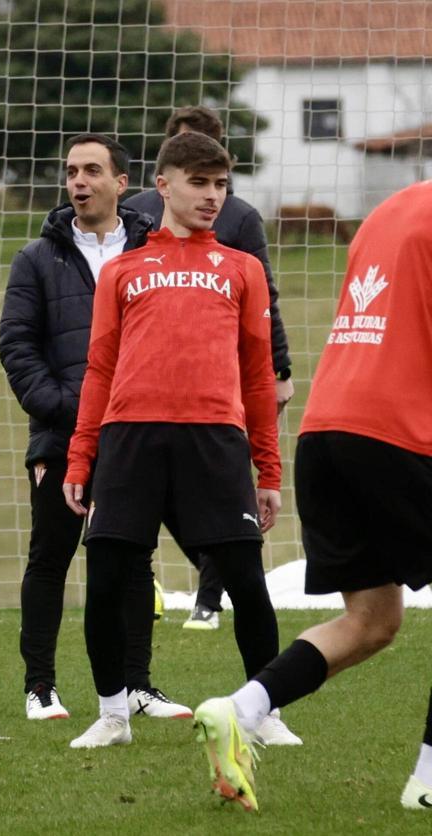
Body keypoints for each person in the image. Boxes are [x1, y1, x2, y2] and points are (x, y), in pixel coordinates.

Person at [193, 179, 432, 813]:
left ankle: (239, 711)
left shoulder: (389, 209)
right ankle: (430, 781)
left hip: (328, 432)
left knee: (373, 621)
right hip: (399, 433)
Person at [62, 131, 298, 749]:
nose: (212, 196)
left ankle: (262, 711)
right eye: (199, 182)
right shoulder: (122, 270)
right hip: (130, 439)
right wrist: (81, 453)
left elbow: (257, 375)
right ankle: (113, 714)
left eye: (221, 184)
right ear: (163, 186)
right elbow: (100, 368)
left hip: (215, 441)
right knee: (109, 575)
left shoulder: (241, 269)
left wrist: (268, 471)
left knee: (246, 577)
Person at [0, 134, 193, 722]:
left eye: (90, 171)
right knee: (51, 556)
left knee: (134, 560)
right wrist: (62, 406)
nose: (78, 182)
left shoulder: (157, 251)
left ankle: (137, 685)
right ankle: (41, 688)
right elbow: (17, 346)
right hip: (61, 435)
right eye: (70, 173)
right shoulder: (37, 258)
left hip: (137, 433)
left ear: (121, 182)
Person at [124, 106, 294, 631]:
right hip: (145, 400)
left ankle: (210, 596)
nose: (208, 192)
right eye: (190, 165)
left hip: (219, 392)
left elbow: (264, 296)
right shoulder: (137, 214)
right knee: (149, 519)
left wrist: (279, 367)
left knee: (230, 515)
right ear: (165, 173)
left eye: (216, 177)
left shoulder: (239, 219)